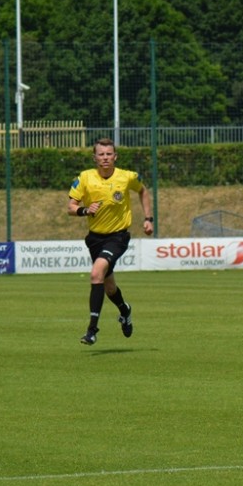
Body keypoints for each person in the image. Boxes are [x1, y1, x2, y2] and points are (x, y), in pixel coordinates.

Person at [67, 137, 153, 345]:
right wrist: (85, 210)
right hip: (95, 239)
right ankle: (125, 310)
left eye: (108, 154)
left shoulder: (127, 177)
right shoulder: (85, 178)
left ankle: (92, 330)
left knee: (96, 273)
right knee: (109, 287)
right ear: (95, 158)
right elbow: (71, 207)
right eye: (101, 154)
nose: (105, 158)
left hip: (118, 237)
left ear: (115, 156)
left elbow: (143, 191)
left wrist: (148, 218)